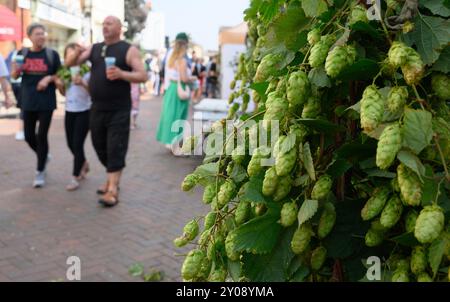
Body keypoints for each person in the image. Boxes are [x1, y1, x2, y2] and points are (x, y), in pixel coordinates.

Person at [66, 16, 147, 207]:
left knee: (115, 147)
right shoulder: (95, 48)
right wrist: (75, 52)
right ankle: (111, 179)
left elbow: (142, 75)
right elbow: (70, 64)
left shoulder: (128, 49)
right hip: (97, 107)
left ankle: (112, 190)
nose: (105, 27)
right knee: (98, 145)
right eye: (103, 24)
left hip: (119, 108)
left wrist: (121, 74)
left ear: (120, 28)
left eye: (109, 23)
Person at [11, 23, 62, 188]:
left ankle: (40, 171)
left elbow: (60, 74)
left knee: (42, 135)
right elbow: (14, 75)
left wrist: (49, 78)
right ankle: (44, 155)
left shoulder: (51, 54)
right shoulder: (22, 53)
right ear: (30, 37)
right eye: (37, 34)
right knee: (28, 135)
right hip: (28, 100)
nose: (41, 36)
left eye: (43, 33)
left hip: (46, 102)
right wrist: (16, 70)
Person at [59, 43, 92, 191]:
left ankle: (75, 177)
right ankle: (83, 162)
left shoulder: (89, 69)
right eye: (68, 55)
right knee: (70, 144)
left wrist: (83, 83)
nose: (72, 58)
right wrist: (60, 85)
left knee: (77, 144)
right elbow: (64, 93)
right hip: (69, 110)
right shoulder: (65, 71)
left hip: (85, 110)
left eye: (74, 54)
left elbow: (95, 92)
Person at [156, 33, 195, 156]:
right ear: (185, 45)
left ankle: (170, 142)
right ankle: (176, 145)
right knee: (179, 116)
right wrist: (192, 78)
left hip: (171, 89)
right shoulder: (182, 60)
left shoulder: (171, 58)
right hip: (180, 90)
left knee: (169, 116)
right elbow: (184, 79)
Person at [5, 42, 24, 140]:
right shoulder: (21, 54)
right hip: (20, 84)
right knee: (23, 108)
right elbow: (13, 71)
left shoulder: (13, 53)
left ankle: (24, 129)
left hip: (15, 83)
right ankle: (21, 130)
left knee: (23, 107)